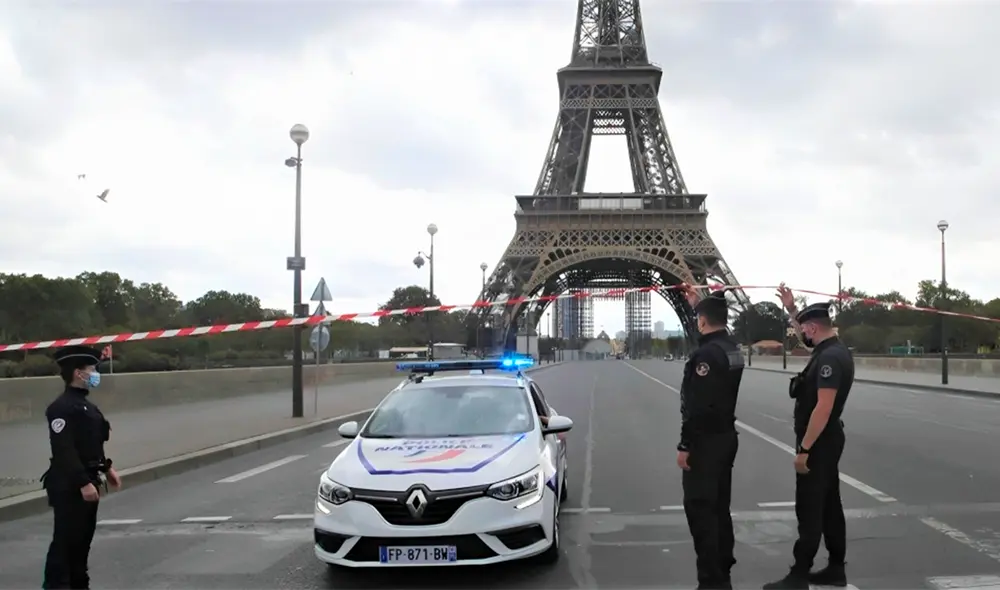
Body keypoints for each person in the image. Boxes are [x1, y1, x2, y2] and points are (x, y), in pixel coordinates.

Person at [764, 285, 855, 590]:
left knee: (810, 508)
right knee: (830, 506)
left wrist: (804, 449)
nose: (802, 335)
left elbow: (823, 408)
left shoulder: (829, 359)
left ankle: (799, 575)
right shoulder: (831, 349)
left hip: (819, 442)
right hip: (828, 440)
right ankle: (836, 569)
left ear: (814, 327)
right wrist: (792, 310)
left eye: (805, 329)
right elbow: (805, 338)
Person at [676, 285, 745, 590]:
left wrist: (685, 444)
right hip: (726, 437)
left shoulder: (705, 355)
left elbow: (697, 408)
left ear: (702, 321)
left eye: (698, 318)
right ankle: (723, 568)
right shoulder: (731, 349)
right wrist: (698, 305)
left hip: (705, 443)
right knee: (719, 508)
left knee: (701, 512)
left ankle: (711, 582)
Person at [42, 345, 121, 590]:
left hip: (87, 478)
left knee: (81, 543)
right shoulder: (62, 408)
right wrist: (83, 482)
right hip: (69, 485)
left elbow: (90, 443)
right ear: (78, 373)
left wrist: (106, 468)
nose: (95, 373)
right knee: (65, 543)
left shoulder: (86, 406)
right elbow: (64, 449)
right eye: (92, 369)